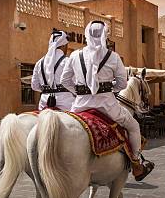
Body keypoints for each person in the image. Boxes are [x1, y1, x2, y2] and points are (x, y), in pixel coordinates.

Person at [60, 21, 152, 181]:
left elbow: (65, 80)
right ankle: (137, 164)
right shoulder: (113, 57)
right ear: (105, 35)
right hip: (107, 107)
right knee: (134, 126)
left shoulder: (74, 55)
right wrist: (109, 90)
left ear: (87, 34)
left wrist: (80, 92)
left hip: (79, 107)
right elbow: (123, 84)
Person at [31, 30, 75, 111]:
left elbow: (34, 86)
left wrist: (48, 89)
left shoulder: (39, 63)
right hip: (66, 103)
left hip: (44, 102)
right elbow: (75, 83)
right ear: (63, 45)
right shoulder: (68, 61)